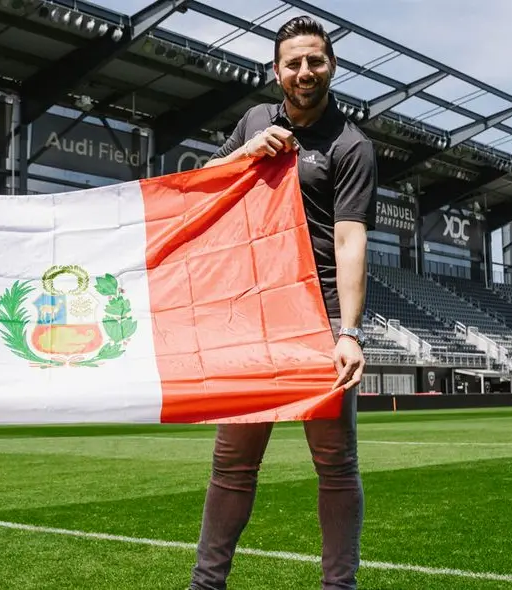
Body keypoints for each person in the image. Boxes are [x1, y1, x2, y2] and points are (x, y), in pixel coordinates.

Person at [190, 16, 376, 590]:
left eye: (314, 61)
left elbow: (349, 241)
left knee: (334, 466)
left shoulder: (352, 145)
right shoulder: (254, 120)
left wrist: (349, 331)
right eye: (293, 63)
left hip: (316, 318)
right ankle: (206, 583)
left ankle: (337, 586)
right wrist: (246, 150)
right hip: (256, 313)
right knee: (232, 464)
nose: (304, 72)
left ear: (332, 67)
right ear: (277, 71)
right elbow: (203, 182)